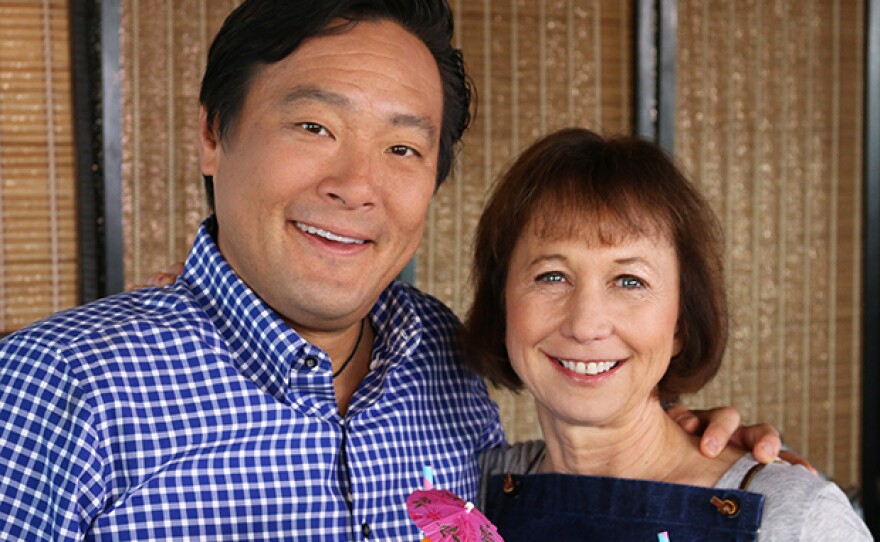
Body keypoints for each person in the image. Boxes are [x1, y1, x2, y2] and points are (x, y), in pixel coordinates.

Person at [0, 2, 782, 540]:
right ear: (213, 134)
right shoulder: (56, 387)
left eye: (403, 147)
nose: (356, 184)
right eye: (313, 125)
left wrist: (684, 458)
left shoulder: (438, 355)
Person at [465, 127, 871, 541]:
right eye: (552, 276)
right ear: (502, 306)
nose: (585, 325)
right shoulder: (467, 490)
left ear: (681, 322)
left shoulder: (795, 518)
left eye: (629, 281)